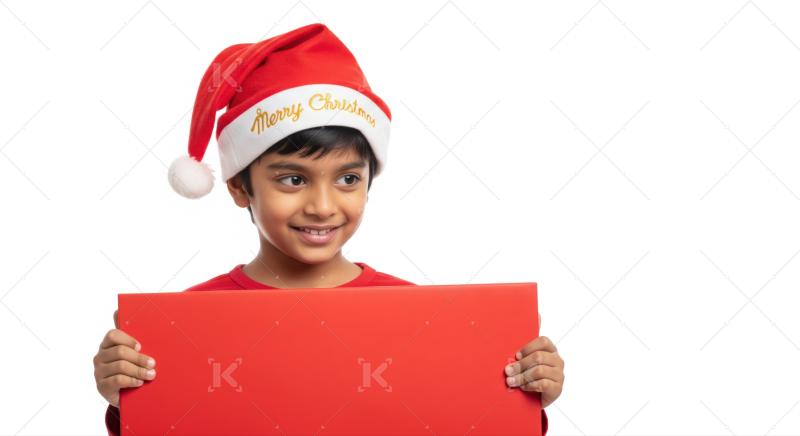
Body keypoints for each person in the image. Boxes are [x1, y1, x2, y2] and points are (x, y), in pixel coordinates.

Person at [92, 23, 563, 435]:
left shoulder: (423, 321)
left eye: (348, 179)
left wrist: (527, 394)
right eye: (293, 179)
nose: (322, 206)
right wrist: (125, 400)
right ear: (239, 186)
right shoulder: (183, 329)